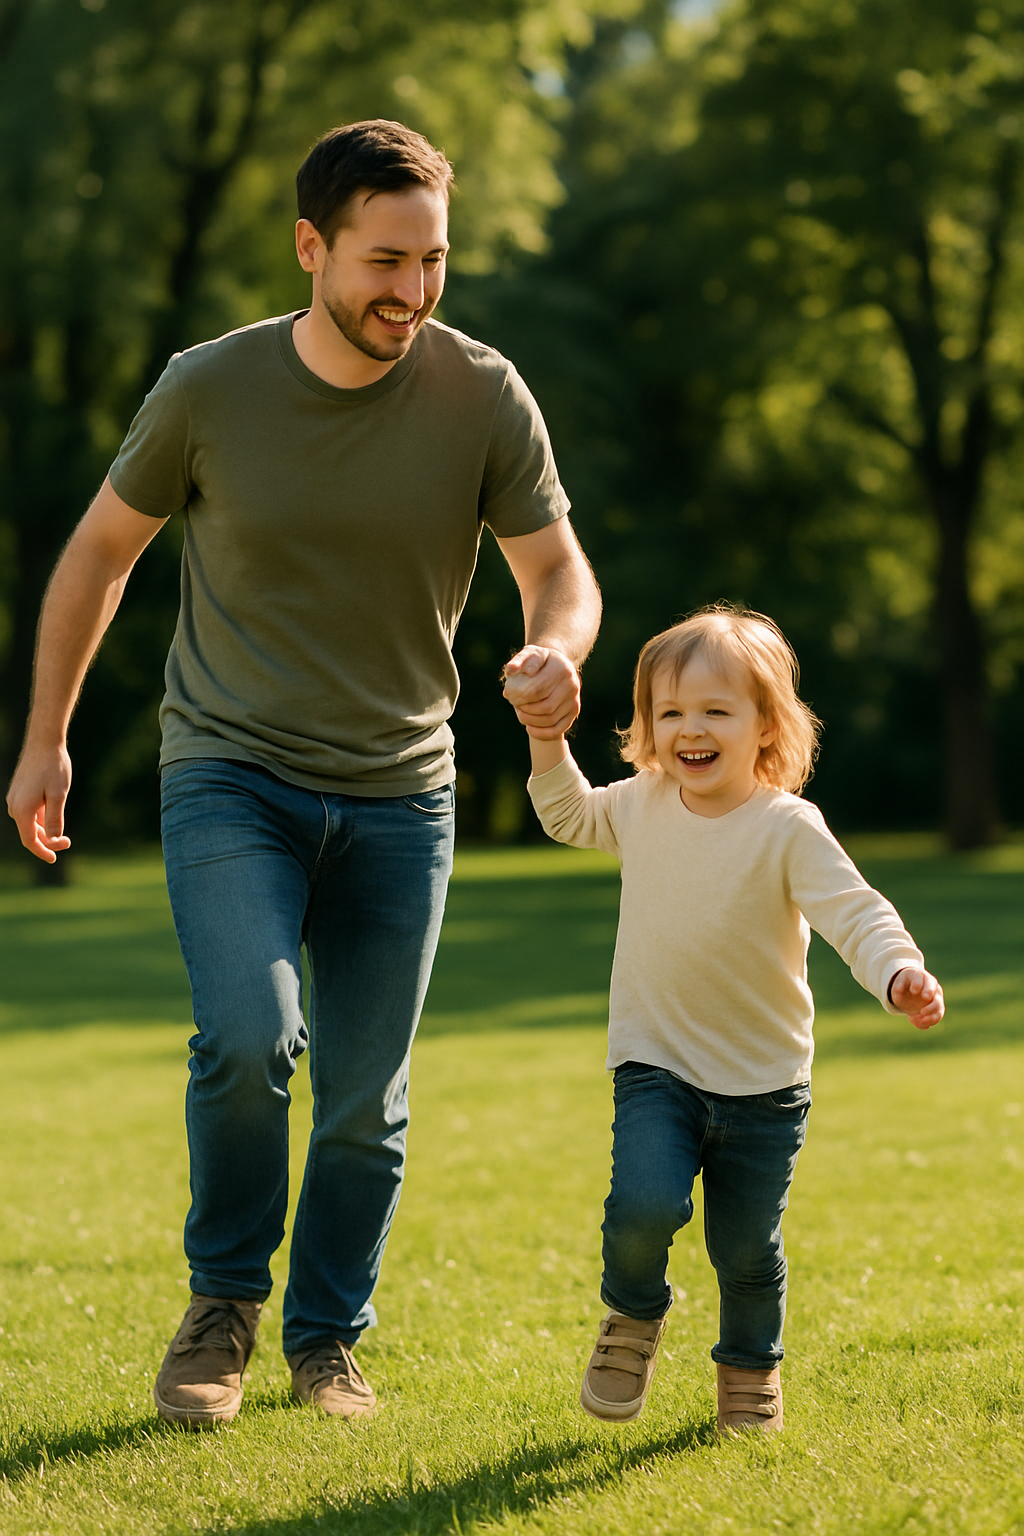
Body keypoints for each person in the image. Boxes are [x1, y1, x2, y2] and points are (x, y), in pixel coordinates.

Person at [6, 119, 601, 1428]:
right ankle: (223, 1305)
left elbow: (559, 569)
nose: (413, 289)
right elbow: (99, 553)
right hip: (233, 771)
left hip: (404, 792)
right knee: (243, 1037)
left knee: (364, 1105)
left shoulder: (482, 392)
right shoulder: (209, 390)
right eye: (386, 260)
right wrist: (47, 734)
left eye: (433, 261)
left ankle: (328, 1340)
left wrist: (558, 647)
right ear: (311, 247)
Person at [505, 605, 942, 1434]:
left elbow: (857, 913)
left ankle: (749, 1369)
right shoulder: (640, 805)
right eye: (669, 713)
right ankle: (633, 1317)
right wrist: (543, 733)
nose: (689, 730)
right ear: (646, 728)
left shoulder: (786, 829)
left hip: (764, 1085)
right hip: (655, 1062)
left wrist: (899, 972)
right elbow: (565, 814)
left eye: (714, 710)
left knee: (745, 1253)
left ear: (765, 724)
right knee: (642, 1203)